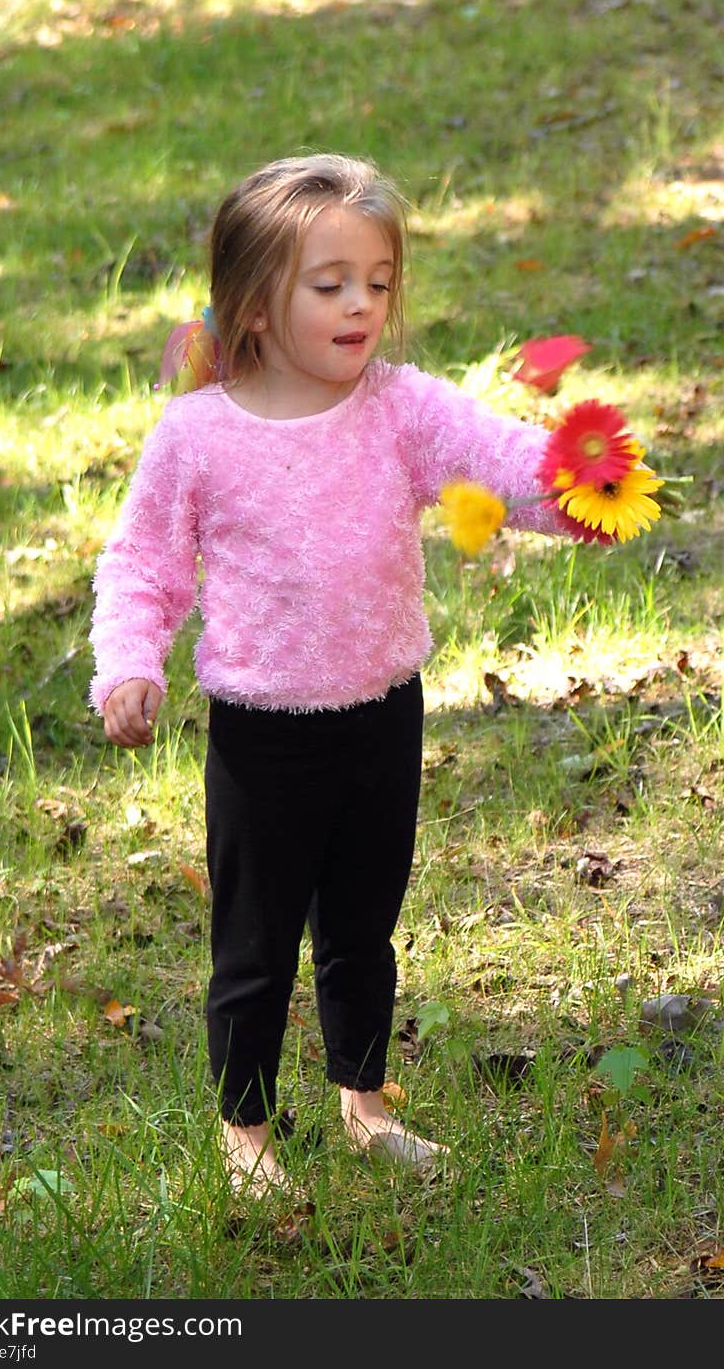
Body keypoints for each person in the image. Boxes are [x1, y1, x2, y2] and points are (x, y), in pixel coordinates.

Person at [89, 152, 575, 1197]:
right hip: (263, 733)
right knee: (256, 947)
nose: (362, 303)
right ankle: (248, 1130)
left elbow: (498, 458)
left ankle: (363, 1101)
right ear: (256, 307)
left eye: (378, 282)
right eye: (331, 284)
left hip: (381, 715)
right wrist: (131, 663)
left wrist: (579, 489)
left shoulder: (397, 408)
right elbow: (142, 563)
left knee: (362, 926)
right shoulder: (197, 437)